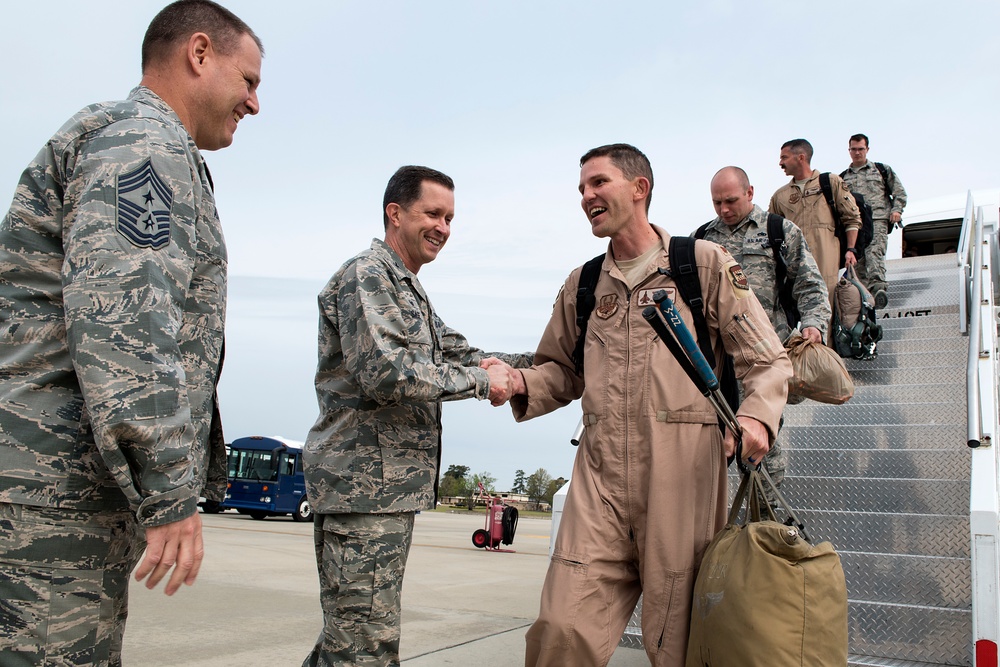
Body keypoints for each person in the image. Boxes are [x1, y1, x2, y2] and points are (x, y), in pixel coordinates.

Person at [0, 2, 262, 665]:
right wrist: (169, 489)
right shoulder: (143, 144)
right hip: (51, 495)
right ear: (199, 54)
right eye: (250, 80)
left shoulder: (131, 139)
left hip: (51, 488)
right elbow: (127, 324)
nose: (254, 104)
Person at [488, 144, 792, 666]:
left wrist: (756, 417)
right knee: (562, 624)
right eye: (582, 188)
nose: (586, 196)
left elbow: (766, 360)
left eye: (598, 183)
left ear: (639, 188)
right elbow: (561, 370)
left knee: (677, 641)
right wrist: (518, 380)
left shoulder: (701, 264)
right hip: (600, 476)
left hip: (683, 475)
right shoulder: (584, 284)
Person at [301, 165, 533, 667]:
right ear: (395, 213)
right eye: (433, 213)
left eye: (450, 218)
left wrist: (543, 364)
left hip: (383, 495)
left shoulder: (407, 288)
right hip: (361, 491)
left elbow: (460, 354)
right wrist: (481, 383)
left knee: (352, 641)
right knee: (363, 646)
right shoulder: (368, 275)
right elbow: (387, 371)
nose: (443, 227)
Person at [698, 166, 830, 505]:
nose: (724, 210)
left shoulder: (778, 231)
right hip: (715, 360)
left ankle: (768, 513)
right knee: (711, 439)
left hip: (762, 356)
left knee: (758, 438)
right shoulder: (702, 238)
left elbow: (810, 284)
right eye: (717, 203)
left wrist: (814, 323)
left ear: (750, 192)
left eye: (730, 200)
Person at [768, 138, 861, 302]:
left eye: (784, 157)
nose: (780, 163)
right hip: (793, 264)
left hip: (825, 260)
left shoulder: (830, 183)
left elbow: (852, 219)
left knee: (826, 305)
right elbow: (770, 231)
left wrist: (851, 250)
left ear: (800, 157)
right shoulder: (780, 196)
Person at [841, 133, 908, 308]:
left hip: (877, 219)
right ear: (849, 150)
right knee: (857, 262)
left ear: (867, 149)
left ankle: (878, 289)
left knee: (874, 254)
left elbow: (899, 193)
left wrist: (896, 211)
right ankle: (862, 296)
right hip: (855, 225)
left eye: (861, 149)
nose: (857, 153)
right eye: (854, 149)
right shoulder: (842, 178)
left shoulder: (881, 170)